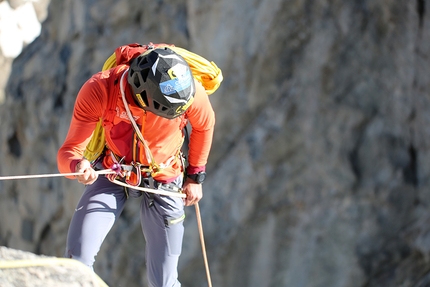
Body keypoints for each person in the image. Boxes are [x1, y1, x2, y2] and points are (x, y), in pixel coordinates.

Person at [57, 44, 216, 287]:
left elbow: (205, 125)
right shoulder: (100, 90)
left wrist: (195, 175)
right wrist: (78, 165)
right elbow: (69, 152)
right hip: (113, 170)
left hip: (164, 175)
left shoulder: (189, 90)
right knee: (77, 260)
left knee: (164, 282)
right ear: (143, 96)